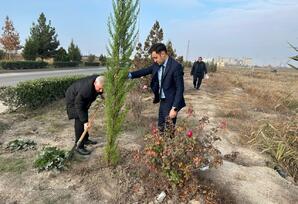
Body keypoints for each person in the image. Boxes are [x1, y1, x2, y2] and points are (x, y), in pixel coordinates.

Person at [128, 43, 186, 131]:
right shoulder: (157, 64)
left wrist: (175, 108)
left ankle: (169, 144)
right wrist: (129, 75)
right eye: (153, 58)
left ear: (162, 54)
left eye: (156, 57)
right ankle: (161, 143)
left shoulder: (175, 66)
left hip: (171, 102)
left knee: (169, 129)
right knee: (161, 127)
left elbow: (180, 88)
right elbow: (144, 71)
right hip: (162, 101)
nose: (154, 60)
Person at [65, 75, 104, 155]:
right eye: (99, 88)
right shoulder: (86, 90)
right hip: (73, 98)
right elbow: (79, 105)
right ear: (94, 83)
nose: (101, 90)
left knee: (84, 116)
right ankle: (79, 146)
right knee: (80, 119)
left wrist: (102, 95)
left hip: (81, 98)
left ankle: (85, 139)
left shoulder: (99, 80)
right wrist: (85, 122)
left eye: (102, 88)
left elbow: (99, 89)